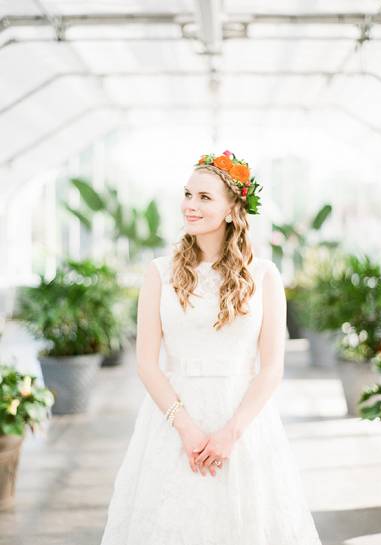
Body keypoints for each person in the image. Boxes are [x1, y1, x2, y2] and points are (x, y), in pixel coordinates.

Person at [99, 150, 322, 544]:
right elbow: (147, 364)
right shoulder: (158, 273)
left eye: (204, 197)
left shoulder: (265, 276)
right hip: (171, 421)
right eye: (187, 194)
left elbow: (271, 367)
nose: (190, 205)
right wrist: (186, 429)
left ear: (233, 209)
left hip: (244, 422)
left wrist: (229, 434)